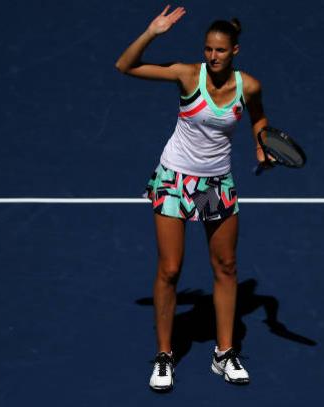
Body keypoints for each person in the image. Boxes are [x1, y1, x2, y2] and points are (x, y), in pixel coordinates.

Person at [115, 5, 271, 392]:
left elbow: (259, 118)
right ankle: (165, 356)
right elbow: (125, 66)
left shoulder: (248, 85)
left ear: (234, 51)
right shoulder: (188, 76)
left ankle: (224, 353)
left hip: (214, 185)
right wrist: (152, 32)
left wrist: (259, 144)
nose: (212, 56)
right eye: (208, 49)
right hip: (174, 179)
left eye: (220, 50)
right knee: (170, 269)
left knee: (226, 267)